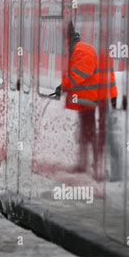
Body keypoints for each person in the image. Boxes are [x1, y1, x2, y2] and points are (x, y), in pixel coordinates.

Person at [55, 22, 99, 174]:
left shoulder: (81, 50)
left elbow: (78, 75)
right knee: (86, 132)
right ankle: (86, 164)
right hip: (85, 98)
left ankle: (94, 166)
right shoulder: (80, 48)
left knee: (89, 132)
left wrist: (63, 86)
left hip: (88, 98)